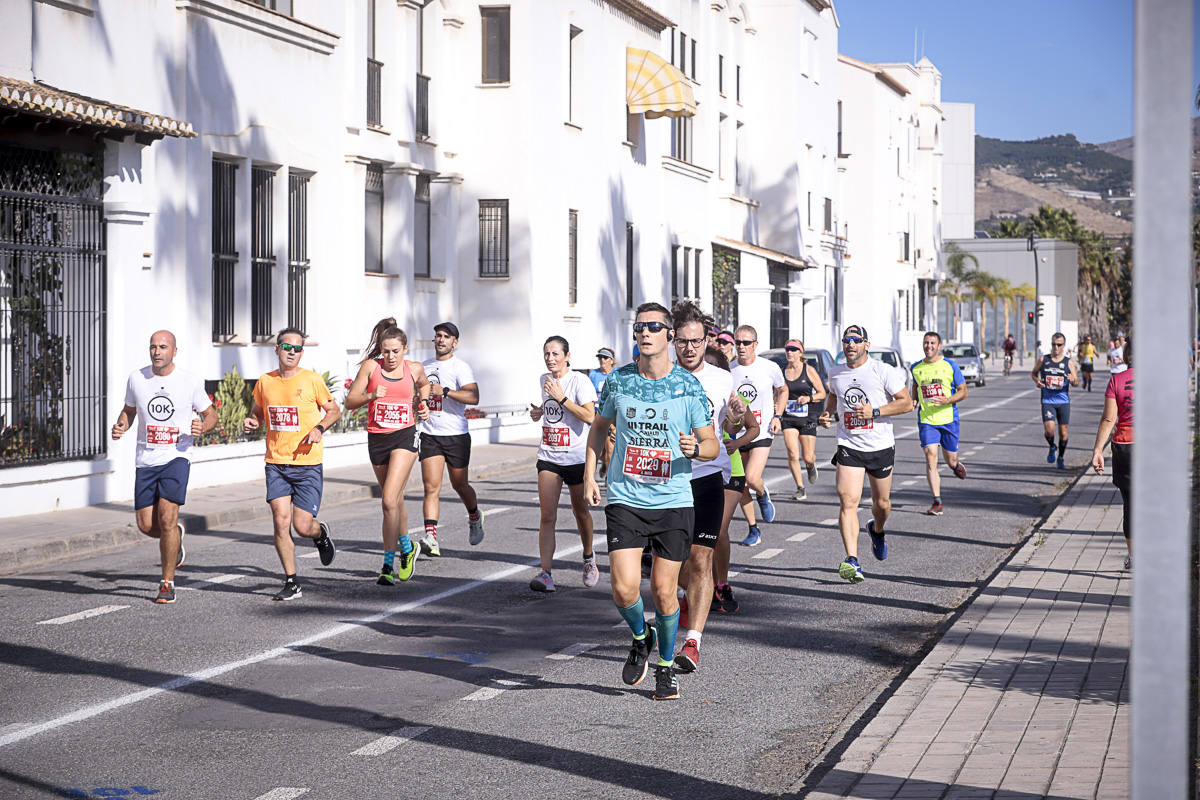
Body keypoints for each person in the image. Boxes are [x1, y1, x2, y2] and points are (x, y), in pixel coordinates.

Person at [583, 302, 718, 701]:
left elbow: (711, 443)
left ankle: (664, 668)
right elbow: (598, 430)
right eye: (639, 327)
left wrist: (697, 448)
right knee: (624, 590)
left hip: (674, 499)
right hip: (625, 496)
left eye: (654, 327)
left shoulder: (687, 386)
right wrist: (591, 475)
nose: (645, 333)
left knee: (663, 592)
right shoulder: (618, 381)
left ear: (669, 336)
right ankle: (641, 637)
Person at [669, 301, 757, 672]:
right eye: (683, 342)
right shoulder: (658, 375)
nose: (689, 348)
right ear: (673, 341)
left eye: (696, 341)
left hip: (709, 477)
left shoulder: (724, 379)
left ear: (706, 341)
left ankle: (693, 642)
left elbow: (738, 424)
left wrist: (735, 426)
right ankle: (679, 600)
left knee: (701, 556)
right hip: (668, 481)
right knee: (676, 564)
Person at [111, 330, 217, 604]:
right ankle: (176, 537)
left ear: (174, 351)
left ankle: (167, 583)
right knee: (147, 525)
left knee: (167, 519)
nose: (157, 352)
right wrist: (123, 423)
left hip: (176, 457)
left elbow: (210, 414)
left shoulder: (188, 381)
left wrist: (202, 426)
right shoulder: (137, 378)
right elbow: (130, 410)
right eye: (153, 347)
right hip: (146, 459)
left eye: (162, 347)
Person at [243, 328, 341, 601]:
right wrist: (253, 421)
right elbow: (258, 410)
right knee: (280, 521)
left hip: (307, 464)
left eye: (297, 348)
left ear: (302, 353)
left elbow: (334, 411)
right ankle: (292, 581)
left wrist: (320, 428)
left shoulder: (312, 380)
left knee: (301, 525)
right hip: (276, 462)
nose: (291, 352)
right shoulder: (265, 382)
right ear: (277, 349)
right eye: (287, 347)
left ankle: (320, 533)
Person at [818, 324, 912, 583]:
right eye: (846, 340)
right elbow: (834, 398)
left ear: (866, 345)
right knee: (848, 500)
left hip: (880, 445)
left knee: (882, 504)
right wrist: (827, 414)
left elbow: (906, 402)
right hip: (849, 445)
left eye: (856, 340)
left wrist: (876, 412)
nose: (850, 344)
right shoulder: (835, 373)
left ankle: (877, 529)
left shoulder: (883, 371)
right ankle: (852, 560)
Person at [344, 319, 431, 585]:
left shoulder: (414, 368)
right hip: (378, 438)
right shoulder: (371, 368)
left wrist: (424, 403)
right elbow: (349, 402)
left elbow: (424, 384)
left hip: (405, 436)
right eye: (386, 351)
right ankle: (408, 548)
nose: (391, 356)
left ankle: (386, 564)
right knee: (394, 501)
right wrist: (371, 396)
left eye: (396, 351)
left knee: (388, 500)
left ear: (405, 349)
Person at [528, 335, 599, 592]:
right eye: (547, 354)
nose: (550, 359)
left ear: (567, 356)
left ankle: (589, 558)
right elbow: (553, 413)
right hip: (549, 455)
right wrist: (540, 411)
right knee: (547, 515)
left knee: (580, 513)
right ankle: (546, 573)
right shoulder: (543, 380)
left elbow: (590, 416)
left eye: (556, 354)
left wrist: (561, 398)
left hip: (576, 458)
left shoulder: (579, 381)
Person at [418, 322, 484, 556]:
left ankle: (475, 515)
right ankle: (431, 537)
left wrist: (445, 391)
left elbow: (473, 397)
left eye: (446, 336)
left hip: (456, 434)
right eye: (438, 336)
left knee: (459, 484)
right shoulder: (423, 366)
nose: (441, 340)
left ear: (455, 342)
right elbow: (416, 394)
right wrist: (421, 404)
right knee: (431, 488)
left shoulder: (460, 367)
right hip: (430, 434)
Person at [730, 324, 786, 546]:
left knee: (751, 478)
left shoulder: (769, 367)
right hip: (736, 432)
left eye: (746, 343)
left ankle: (762, 494)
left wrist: (778, 416)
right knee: (740, 483)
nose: (741, 347)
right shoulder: (728, 368)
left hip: (761, 430)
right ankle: (753, 528)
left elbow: (782, 390)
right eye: (738, 342)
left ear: (755, 344)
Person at [910, 331, 968, 516]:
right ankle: (937, 501)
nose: (929, 346)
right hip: (927, 420)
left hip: (948, 419)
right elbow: (915, 386)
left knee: (950, 459)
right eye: (926, 343)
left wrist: (948, 400)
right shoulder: (916, 368)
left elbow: (963, 391)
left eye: (932, 343)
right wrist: (913, 400)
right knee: (931, 456)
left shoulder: (950, 366)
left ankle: (955, 466)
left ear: (939, 346)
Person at [1091, 338, 1133, 569]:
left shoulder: (1117, 380)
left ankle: (1134, 557)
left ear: (1126, 356)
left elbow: (1109, 419)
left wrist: (1098, 449)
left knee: (1130, 503)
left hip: (1125, 448)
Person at [779, 339, 827, 501]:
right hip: (788, 418)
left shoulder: (809, 370)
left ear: (800, 353)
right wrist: (775, 412)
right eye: (787, 349)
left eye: (793, 349)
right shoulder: (781, 371)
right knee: (792, 453)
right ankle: (800, 487)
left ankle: (810, 465)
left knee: (807, 456)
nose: (790, 352)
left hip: (807, 417)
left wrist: (809, 398)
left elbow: (822, 393)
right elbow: (778, 393)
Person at [1032, 332, 1079, 469]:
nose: (1056, 347)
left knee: (1063, 433)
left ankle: (1061, 457)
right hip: (1048, 400)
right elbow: (1034, 373)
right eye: (1053, 344)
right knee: (1049, 431)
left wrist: (1072, 380)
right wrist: (1038, 382)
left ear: (1064, 346)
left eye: (1059, 345)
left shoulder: (1068, 362)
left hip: (1063, 401)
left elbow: (1076, 382)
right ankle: (1052, 446)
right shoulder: (1043, 359)